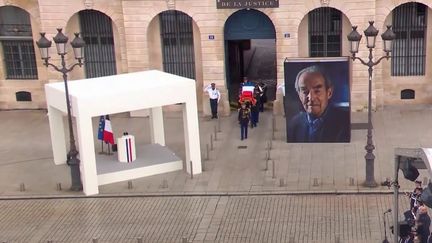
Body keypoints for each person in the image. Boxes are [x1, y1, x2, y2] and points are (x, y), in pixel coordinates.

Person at [287, 65, 350, 143]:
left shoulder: (345, 123)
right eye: (305, 91)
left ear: (329, 93)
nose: (311, 98)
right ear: (299, 95)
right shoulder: (294, 125)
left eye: (317, 91)